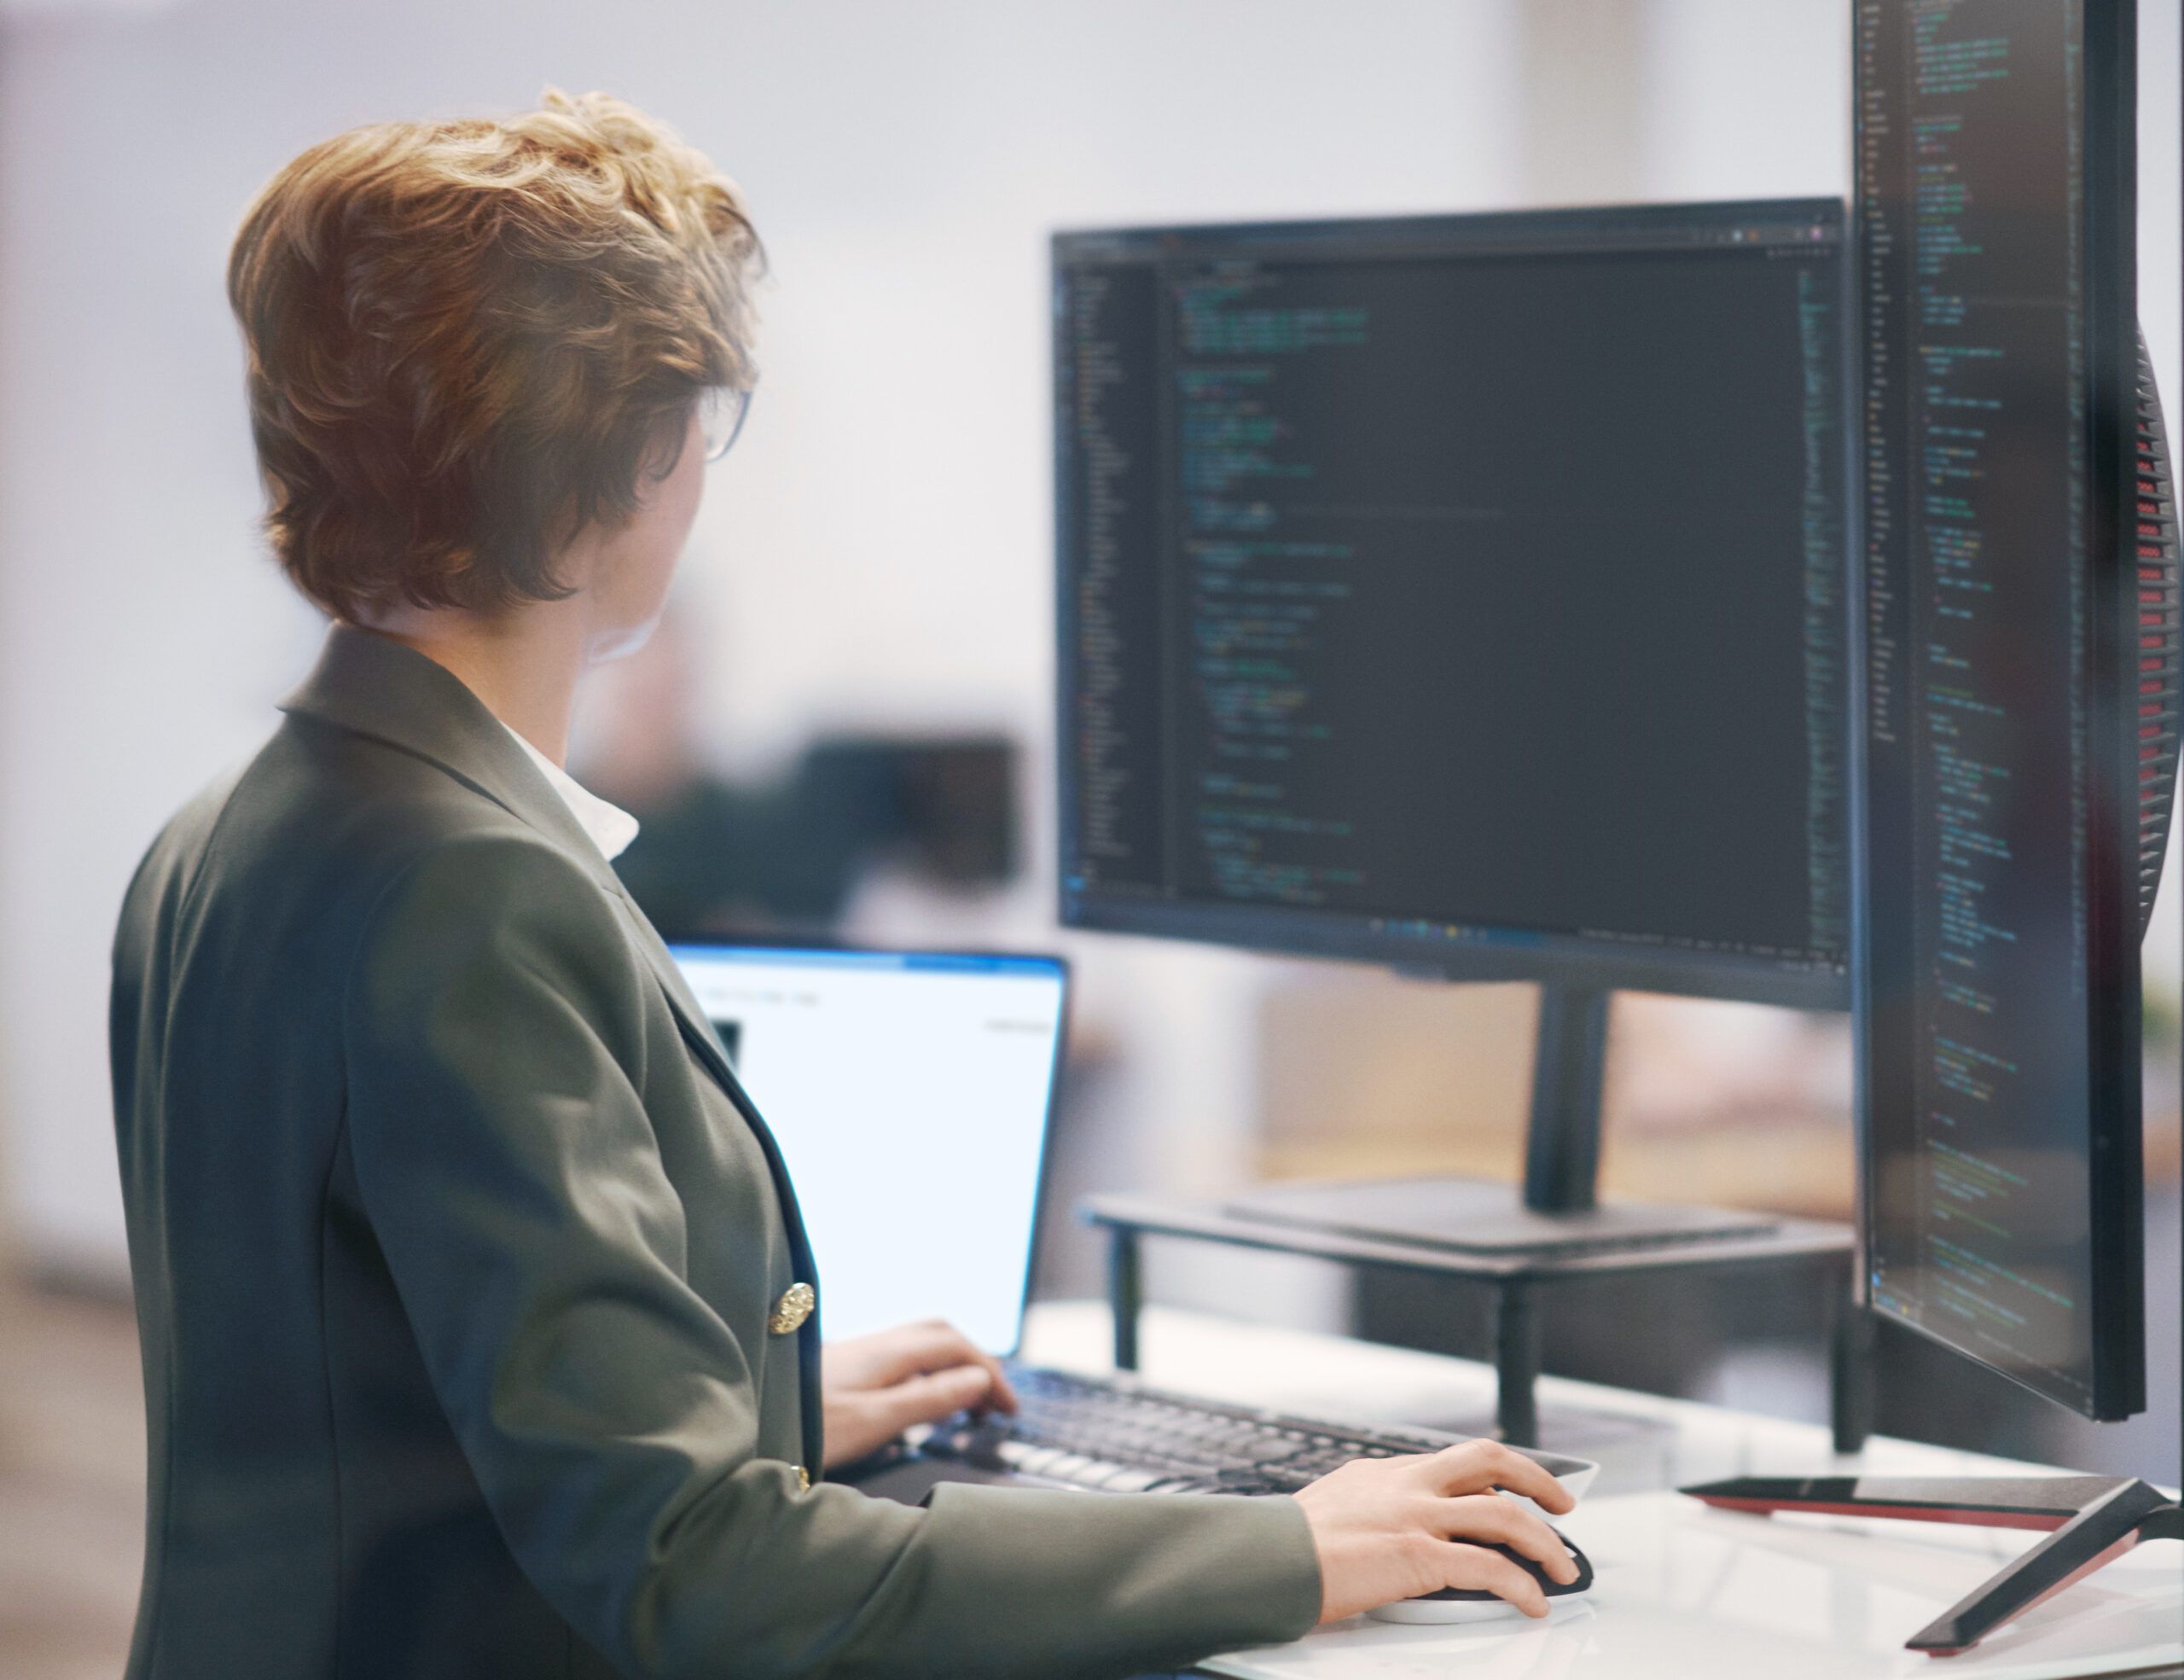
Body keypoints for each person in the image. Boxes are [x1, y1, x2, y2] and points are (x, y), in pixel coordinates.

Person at [108, 90, 1578, 1679]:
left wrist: (750, 1408)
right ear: (633, 458)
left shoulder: (227, 836)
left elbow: (374, 1405)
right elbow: (697, 1575)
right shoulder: (468, 892)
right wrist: (1286, 1547)